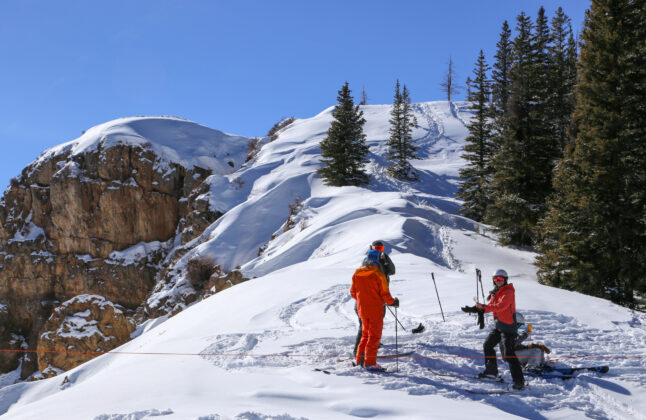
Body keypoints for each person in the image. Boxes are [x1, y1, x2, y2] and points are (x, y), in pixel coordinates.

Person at [475, 269, 526, 390]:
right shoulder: (496, 292)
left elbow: (501, 307)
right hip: (499, 326)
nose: (498, 281)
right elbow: (491, 307)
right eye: (496, 279)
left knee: (509, 354)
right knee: (488, 345)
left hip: (508, 327)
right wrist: (480, 308)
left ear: (505, 280)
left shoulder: (508, 291)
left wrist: (485, 307)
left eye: (500, 279)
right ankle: (491, 372)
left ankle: (519, 382)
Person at [350, 248, 399, 371]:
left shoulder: (357, 273)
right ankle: (370, 363)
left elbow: (353, 293)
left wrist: (363, 299)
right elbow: (385, 295)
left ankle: (359, 361)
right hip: (375, 311)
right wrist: (393, 302)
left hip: (362, 310)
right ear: (376, 260)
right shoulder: (378, 274)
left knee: (365, 335)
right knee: (374, 337)